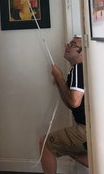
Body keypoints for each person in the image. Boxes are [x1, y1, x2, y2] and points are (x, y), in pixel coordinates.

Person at [39, 35, 88, 173]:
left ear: (82, 53)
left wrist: (60, 77)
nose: (67, 46)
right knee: (69, 150)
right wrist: (60, 84)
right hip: (90, 128)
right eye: (69, 43)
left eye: (72, 45)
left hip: (86, 129)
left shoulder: (79, 68)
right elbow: (70, 103)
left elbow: (74, 102)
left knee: (45, 144)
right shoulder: (75, 70)